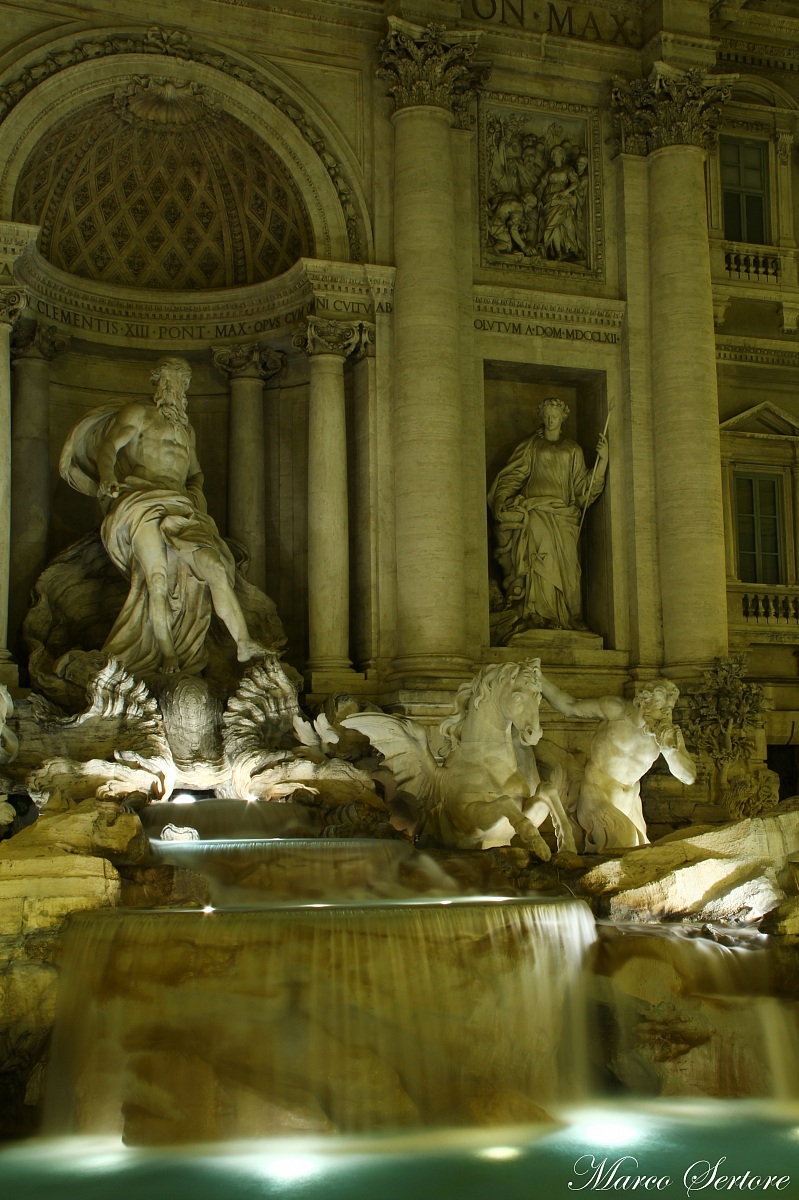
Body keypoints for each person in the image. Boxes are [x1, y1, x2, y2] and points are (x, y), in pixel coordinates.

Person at [60, 357, 269, 677]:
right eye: (168, 382)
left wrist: (195, 498)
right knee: (155, 579)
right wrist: (106, 475)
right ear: (156, 384)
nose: (173, 390)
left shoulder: (187, 431)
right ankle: (167, 656)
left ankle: (243, 642)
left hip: (182, 509)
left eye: (180, 384)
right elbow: (108, 448)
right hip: (140, 501)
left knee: (214, 566)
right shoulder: (138, 414)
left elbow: (196, 474)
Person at [487, 397, 607, 632]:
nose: (551, 420)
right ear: (541, 418)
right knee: (541, 561)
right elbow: (513, 476)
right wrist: (501, 498)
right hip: (536, 512)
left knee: (569, 569)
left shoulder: (574, 450)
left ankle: (567, 616)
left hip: (565, 516)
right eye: (547, 416)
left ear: (563, 418)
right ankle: (539, 614)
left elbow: (584, 487)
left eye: (555, 416)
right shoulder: (531, 445)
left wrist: (602, 462)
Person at [540, 675, 696, 853]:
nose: (667, 715)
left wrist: (670, 751)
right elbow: (570, 707)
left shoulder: (667, 734)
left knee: (643, 852)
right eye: (661, 708)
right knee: (627, 842)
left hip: (630, 802)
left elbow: (688, 777)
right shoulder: (616, 710)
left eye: (669, 709)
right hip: (597, 796)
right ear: (644, 705)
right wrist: (540, 680)